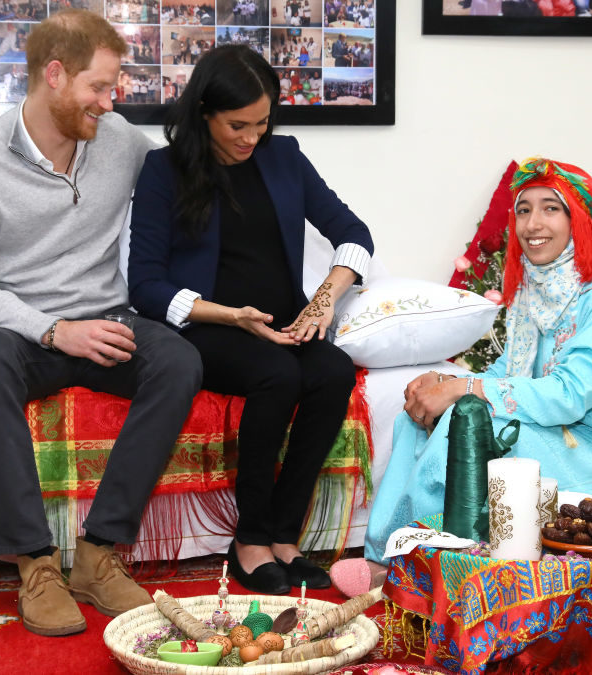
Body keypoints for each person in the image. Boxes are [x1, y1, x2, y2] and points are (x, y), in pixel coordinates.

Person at [0, 10, 202, 637]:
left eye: (114, 89)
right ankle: (35, 564)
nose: (111, 104)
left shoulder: (123, 145)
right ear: (54, 75)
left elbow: (189, 176)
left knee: (180, 359)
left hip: (108, 321)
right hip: (25, 333)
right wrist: (54, 329)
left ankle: (99, 556)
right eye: (100, 88)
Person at [329, 157, 592, 597]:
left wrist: (460, 391)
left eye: (551, 208)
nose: (533, 223)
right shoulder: (538, 288)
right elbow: (505, 374)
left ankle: (431, 563)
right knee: (413, 417)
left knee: (462, 421)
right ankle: (386, 557)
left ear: (580, 220)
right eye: (524, 210)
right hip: (562, 434)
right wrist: (442, 380)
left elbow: (569, 394)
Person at [127, 45, 374, 595]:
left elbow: (355, 235)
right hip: (209, 328)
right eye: (238, 125)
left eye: (262, 123)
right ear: (204, 113)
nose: (251, 137)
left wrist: (324, 301)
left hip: (280, 322)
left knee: (333, 370)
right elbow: (144, 285)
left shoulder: (284, 157)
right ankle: (250, 539)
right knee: (278, 374)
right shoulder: (164, 170)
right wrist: (230, 316)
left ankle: (286, 537)